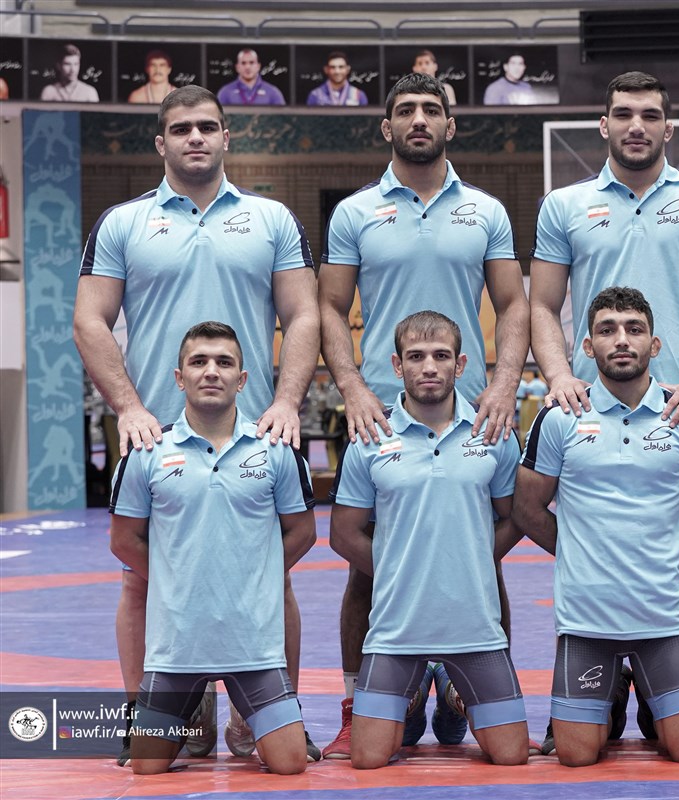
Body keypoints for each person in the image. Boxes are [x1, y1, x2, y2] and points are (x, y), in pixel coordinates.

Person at [73, 85, 320, 765]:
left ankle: (263, 719)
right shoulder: (124, 223)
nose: (195, 138)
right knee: (142, 579)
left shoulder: (271, 219)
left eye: (207, 126)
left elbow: (303, 315)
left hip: (255, 434)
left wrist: (287, 402)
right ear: (161, 142)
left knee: (273, 578)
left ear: (227, 137)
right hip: (155, 436)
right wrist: (130, 407)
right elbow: (89, 320)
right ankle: (159, 717)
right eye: (181, 128)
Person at [529, 70, 679, 753]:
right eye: (623, 113)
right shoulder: (564, 204)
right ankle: (596, 690)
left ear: (669, 127)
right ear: (603, 125)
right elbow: (542, 305)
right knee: (593, 553)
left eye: (649, 114)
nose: (636, 125)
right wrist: (559, 376)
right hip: (593, 404)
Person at [317, 72, 530, 759]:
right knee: (364, 570)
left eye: (431, 109)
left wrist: (503, 384)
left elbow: (514, 302)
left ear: (450, 125)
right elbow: (328, 307)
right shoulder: (355, 213)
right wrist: (352, 386)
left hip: (472, 407)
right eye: (405, 110)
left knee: (483, 557)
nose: (418, 119)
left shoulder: (486, 211)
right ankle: (362, 701)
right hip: (380, 412)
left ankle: (468, 690)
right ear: (386, 127)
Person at [514, 286, 679, 767]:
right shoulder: (560, 417)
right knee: (575, 757)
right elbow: (527, 509)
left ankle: (646, 691)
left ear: (655, 343)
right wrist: (582, 548)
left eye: (634, 329)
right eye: (607, 330)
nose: (622, 339)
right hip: (586, 620)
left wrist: (661, 548)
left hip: (662, 617)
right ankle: (612, 691)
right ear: (588, 346)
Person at [109, 322, 316, 775]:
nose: (210, 371)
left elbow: (303, 533)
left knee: (290, 764)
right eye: (198, 362)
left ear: (242, 379)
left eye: (224, 362)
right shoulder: (147, 452)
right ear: (179, 377)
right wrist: (178, 576)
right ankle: (195, 707)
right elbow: (123, 540)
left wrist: (251, 572)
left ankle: (245, 720)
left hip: (254, 646)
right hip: (176, 647)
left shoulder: (276, 448)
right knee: (145, 767)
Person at [328, 311, 529, 769]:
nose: (430, 367)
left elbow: (514, 517)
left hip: (475, 628)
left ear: (461, 364)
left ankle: (449, 700)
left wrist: (470, 562)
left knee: (512, 755)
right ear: (397, 366)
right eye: (416, 357)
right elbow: (343, 533)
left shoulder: (493, 431)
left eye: (441, 356)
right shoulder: (370, 436)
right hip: (395, 631)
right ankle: (417, 695)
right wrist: (401, 570)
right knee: (368, 758)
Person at [217, 49, 286, 106]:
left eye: (251, 62)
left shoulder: (273, 92)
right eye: (243, 63)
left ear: (258, 66)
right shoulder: (225, 92)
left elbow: (282, 117)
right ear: (237, 67)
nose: (247, 67)